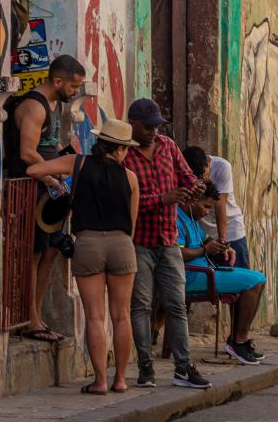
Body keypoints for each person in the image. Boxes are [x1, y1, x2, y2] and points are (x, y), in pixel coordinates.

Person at [27, 119, 139, 395]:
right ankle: (121, 380)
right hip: (122, 245)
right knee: (121, 316)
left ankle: (100, 381)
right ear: (122, 150)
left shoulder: (77, 164)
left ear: (100, 142)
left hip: (88, 243)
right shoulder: (130, 178)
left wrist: (56, 180)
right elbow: (132, 225)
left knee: (95, 317)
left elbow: (33, 168)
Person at [122, 98, 209, 389]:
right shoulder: (123, 154)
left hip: (168, 240)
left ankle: (184, 366)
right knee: (141, 305)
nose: (153, 132)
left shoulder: (168, 147)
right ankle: (145, 366)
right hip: (139, 242)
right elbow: (124, 201)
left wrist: (194, 188)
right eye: (148, 128)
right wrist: (162, 199)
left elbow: (188, 177)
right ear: (133, 124)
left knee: (176, 304)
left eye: (157, 127)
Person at [5, 55, 86, 343]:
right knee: (33, 253)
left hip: (50, 192)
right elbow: (27, 153)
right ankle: (29, 319)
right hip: (33, 189)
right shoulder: (33, 106)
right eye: (74, 86)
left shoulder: (55, 105)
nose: (76, 92)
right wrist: (52, 178)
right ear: (57, 81)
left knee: (51, 251)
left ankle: (36, 314)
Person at [177, 183, 268, 365]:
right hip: (193, 277)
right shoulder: (177, 219)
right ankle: (238, 342)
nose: (206, 212)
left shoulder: (192, 220)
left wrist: (221, 246)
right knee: (254, 281)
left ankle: (237, 339)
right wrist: (205, 250)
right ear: (192, 201)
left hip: (206, 271)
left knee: (259, 278)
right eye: (205, 206)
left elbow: (205, 239)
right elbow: (177, 253)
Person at [181, 147, 251, 269]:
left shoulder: (223, 167)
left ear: (208, 163)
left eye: (205, 174)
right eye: (199, 178)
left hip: (230, 231)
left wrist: (223, 243)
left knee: (238, 274)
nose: (203, 180)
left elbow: (220, 205)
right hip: (204, 234)